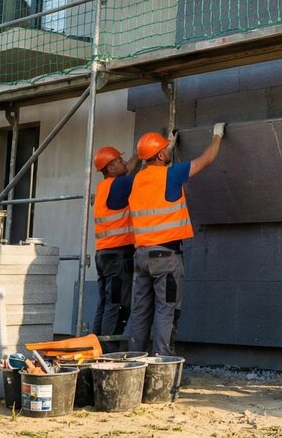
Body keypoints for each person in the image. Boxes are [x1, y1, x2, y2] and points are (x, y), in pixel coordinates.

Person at [111, 124, 225, 356]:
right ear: (161, 156)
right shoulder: (171, 174)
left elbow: (155, 169)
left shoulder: (136, 180)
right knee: (166, 310)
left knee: (141, 312)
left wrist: (167, 147)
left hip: (141, 257)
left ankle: (135, 362)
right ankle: (162, 363)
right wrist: (217, 136)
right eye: (164, 149)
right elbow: (207, 159)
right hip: (166, 257)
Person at [91, 145, 135, 337]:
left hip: (104, 255)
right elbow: (144, 176)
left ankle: (96, 346)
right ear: (110, 168)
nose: (124, 162)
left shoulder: (104, 187)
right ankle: (109, 349)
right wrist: (149, 156)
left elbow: (128, 168)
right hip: (118, 257)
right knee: (118, 305)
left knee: (105, 303)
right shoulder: (121, 183)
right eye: (119, 161)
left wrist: (139, 155)